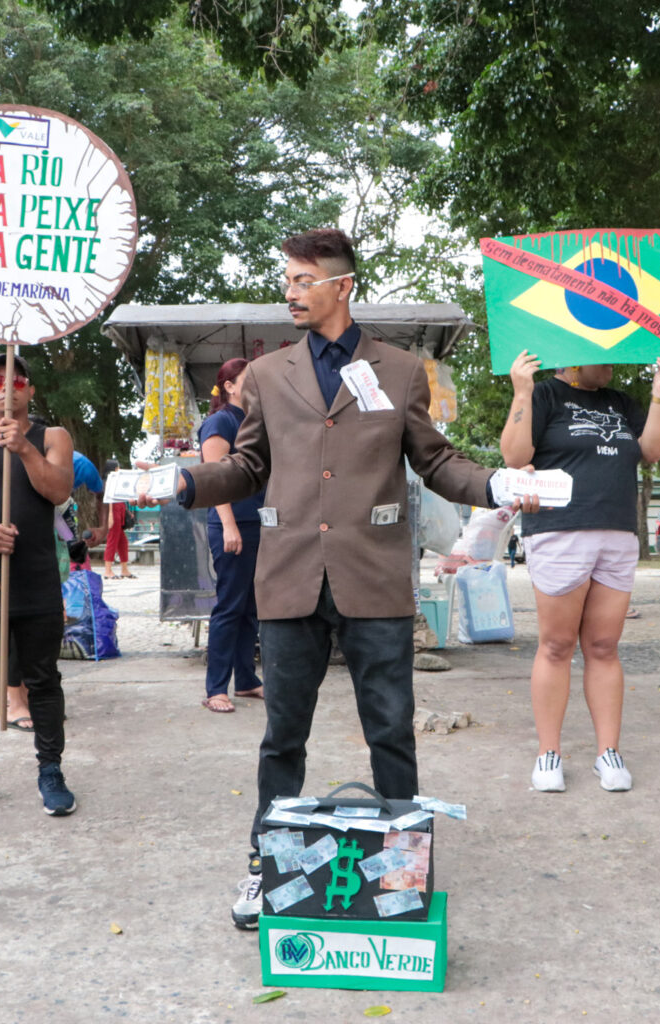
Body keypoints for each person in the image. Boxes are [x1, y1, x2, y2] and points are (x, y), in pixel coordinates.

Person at [137, 228, 533, 930]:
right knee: (282, 738)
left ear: (341, 286)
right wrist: (185, 482)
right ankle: (265, 869)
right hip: (288, 579)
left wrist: (498, 481)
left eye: (301, 279)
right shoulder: (267, 374)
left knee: (391, 731)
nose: (289, 290)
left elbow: (437, 462)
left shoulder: (402, 370)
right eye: (286, 278)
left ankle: (403, 876)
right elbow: (249, 467)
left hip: (373, 578)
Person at [500, 351, 660, 793]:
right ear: (573, 359)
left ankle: (608, 752)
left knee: (603, 646)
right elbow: (514, 454)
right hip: (560, 532)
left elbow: (652, 452)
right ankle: (549, 753)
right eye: (604, 358)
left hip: (616, 535)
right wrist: (522, 390)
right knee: (557, 645)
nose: (613, 366)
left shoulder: (622, 402)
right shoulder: (545, 394)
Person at [0, 351, 78, 819]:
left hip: (37, 577)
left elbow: (59, 491)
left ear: (30, 392)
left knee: (43, 679)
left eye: (19, 381)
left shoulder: (52, 437)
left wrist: (23, 448)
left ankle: (51, 771)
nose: (9, 387)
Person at [197, 357, 266, 712]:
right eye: (248, 378)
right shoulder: (220, 422)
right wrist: (227, 524)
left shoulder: (253, 420)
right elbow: (214, 477)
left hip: (256, 522)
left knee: (250, 607)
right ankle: (216, 688)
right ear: (229, 387)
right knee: (229, 606)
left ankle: (247, 680)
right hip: (232, 523)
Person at [101, 457, 132, 579]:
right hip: (113, 510)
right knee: (112, 540)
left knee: (122, 541)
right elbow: (109, 499)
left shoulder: (116, 480)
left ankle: (124, 569)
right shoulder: (109, 481)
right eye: (117, 467)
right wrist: (110, 515)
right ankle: (108, 570)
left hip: (120, 510)